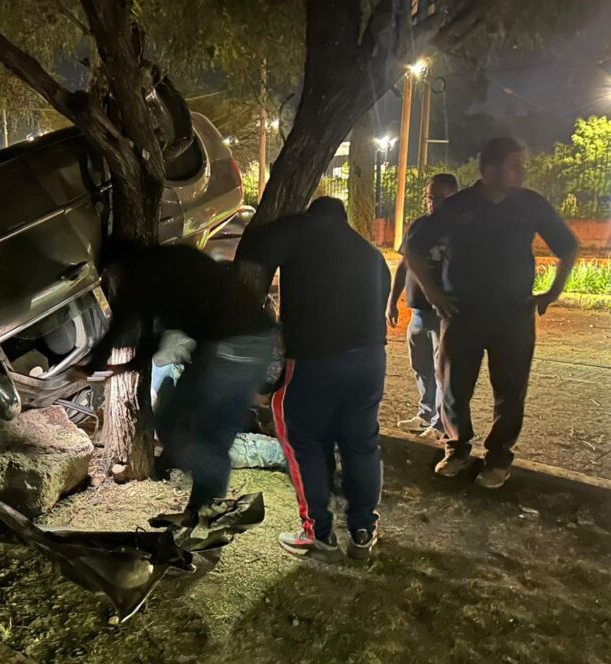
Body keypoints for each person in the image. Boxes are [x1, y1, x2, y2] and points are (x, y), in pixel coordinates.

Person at [405, 137, 578, 489]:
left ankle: (499, 458)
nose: (522, 172)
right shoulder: (458, 206)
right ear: (489, 170)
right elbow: (413, 247)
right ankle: (456, 448)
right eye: (515, 165)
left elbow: (568, 246)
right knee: (453, 386)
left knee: (510, 391)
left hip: (513, 315)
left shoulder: (529, 204)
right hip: (462, 313)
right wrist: (434, 293)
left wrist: (554, 291)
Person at [80, 241, 280, 525]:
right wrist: (120, 367)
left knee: (187, 431)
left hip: (230, 346)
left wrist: (91, 367)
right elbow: (155, 334)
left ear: (116, 266)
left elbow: (121, 325)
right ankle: (201, 512)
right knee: (188, 425)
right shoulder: (170, 260)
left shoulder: (138, 274)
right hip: (251, 341)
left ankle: (213, 508)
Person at [234, 197, 390, 562]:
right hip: (370, 360)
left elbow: (253, 247)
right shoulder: (371, 254)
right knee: (361, 443)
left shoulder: (300, 229)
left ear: (313, 215)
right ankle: (363, 530)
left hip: (316, 359)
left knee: (301, 439)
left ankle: (318, 532)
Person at [387, 173, 459, 440]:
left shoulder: (459, 230)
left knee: (444, 370)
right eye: (430, 198)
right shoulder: (419, 226)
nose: (433, 204)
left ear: (454, 197)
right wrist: (392, 301)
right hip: (418, 311)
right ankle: (426, 413)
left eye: (439, 198)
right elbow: (404, 264)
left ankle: (441, 424)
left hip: (444, 313)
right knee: (421, 366)